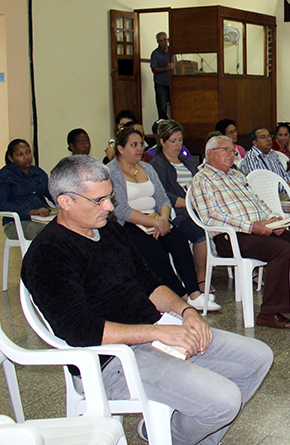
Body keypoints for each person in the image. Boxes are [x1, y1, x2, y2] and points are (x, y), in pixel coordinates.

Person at [21, 155, 272, 445]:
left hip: (155, 333)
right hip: (110, 359)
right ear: (65, 201)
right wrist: (160, 332)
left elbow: (148, 281)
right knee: (224, 401)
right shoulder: (48, 253)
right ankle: (172, 435)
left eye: (110, 197)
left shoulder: (109, 229)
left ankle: (175, 434)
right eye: (98, 200)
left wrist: (186, 311)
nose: (110, 207)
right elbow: (80, 330)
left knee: (258, 357)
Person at [190, 135, 290, 329]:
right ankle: (269, 313)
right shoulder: (202, 179)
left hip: (259, 228)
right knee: (280, 249)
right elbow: (211, 216)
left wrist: (273, 219)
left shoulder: (236, 175)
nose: (232, 154)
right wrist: (252, 227)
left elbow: (258, 202)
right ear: (210, 153)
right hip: (230, 236)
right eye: (226, 150)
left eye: (233, 151)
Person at [108, 127, 217, 311]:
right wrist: (154, 222)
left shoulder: (147, 168)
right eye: (133, 145)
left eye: (140, 145)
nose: (139, 149)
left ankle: (194, 293)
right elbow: (120, 209)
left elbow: (162, 199)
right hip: (130, 223)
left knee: (178, 239)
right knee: (153, 248)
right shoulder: (111, 172)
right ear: (120, 148)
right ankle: (180, 295)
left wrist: (164, 219)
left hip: (156, 219)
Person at [149, 119, 215, 293]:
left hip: (196, 209)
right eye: (173, 141)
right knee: (200, 233)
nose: (177, 145)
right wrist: (188, 203)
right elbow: (161, 194)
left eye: (180, 140)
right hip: (177, 214)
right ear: (162, 142)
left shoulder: (187, 163)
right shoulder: (157, 166)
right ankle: (200, 278)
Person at [0, 139, 53, 240]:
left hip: (41, 219)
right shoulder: (5, 175)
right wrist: (31, 211)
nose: (26, 157)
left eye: (28, 152)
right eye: (20, 155)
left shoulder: (38, 172)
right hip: (16, 223)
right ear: (11, 158)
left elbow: (51, 193)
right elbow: (2, 204)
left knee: (67, 230)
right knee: (49, 233)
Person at [150, 32, 173, 120]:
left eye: (164, 40)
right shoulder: (155, 54)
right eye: (161, 41)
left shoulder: (172, 51)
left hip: (172, 83)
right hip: (161, 84)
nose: (163, 42)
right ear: (158, 42)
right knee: (162, 107)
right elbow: (154, 69)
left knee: (175, 106)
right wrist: (165, 68)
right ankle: (163, 127)